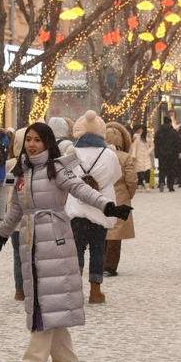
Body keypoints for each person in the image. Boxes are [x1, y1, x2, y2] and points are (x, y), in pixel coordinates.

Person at [0, 122, 131, 362]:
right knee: (48, 301)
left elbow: (82, 190)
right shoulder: (22, 173)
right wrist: (1, 236)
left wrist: (109, 206)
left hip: (55, 240)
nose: (31, 144)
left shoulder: (57, 169)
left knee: (43, 302)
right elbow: (16, 211)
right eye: (28, 139)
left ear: (47, 143)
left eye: (38, 140)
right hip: (30, 241)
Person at [65, 110, 122, 303]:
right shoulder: (109, 154)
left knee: (77, 249)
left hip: (76, 208)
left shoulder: (72, 153)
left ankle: (76, 288)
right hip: (101, 206)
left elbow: (65, 178)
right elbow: (116, 177)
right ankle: (95, 290)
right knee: (98, 249)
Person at [103, 122, 137, 277]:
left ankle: (100, 261)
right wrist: (128, 194)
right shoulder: (126, 157)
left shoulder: (101, 155)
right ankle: (110, 266)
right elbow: (131, 180)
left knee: (102, 230)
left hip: (102, 196)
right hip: (120, 197)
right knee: (116, 234)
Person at [5, 127, 26, 300]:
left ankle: (20, 289)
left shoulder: (11, 164)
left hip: (16, 219)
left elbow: (8, 189)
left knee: (18, 254)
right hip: (30, 217)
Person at [154, 116, 181, 192]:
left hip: (162, 154)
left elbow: (156, 143)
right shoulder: (173, 132)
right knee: (171, 170)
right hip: (171, 154)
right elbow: (177, 143)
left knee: (162, 169)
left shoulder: (159, 131)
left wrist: (157, 153)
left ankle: (161, 182)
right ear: (170, 122)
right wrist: (177, 152)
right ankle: (170, 185)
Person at [129, 124, 154, 191]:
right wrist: (133, 155)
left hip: (146, 156)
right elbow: (134, 146)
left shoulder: (148, 137)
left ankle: (147, 185)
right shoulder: (137, 137)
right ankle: (139, 185)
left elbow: (152, 145)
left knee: (147, 171)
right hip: (138, 156)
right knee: (139, 172)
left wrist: (148, 152)